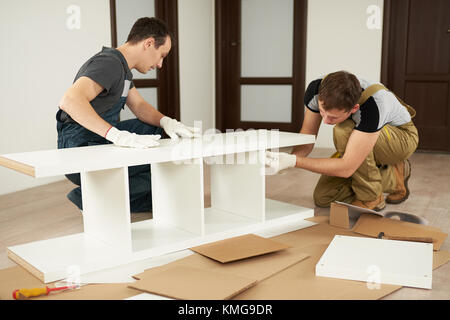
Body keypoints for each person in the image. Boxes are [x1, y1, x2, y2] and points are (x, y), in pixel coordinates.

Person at [56, 17, 199, 213]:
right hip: (79, 145)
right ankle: (90, 196)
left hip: (98, 139)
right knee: (161, 174)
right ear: (149, 43)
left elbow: (139, 105)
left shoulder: (123, 70)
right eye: (161, 55)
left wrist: (168, 122)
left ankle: (101, 198)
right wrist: (117, 136)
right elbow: (70, 101)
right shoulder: (109, 63)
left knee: (156, 132)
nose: (160, 64)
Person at [265, 70, 418, 211]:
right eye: (322, 112)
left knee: (343, 130)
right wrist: (284, 162)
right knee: (324, 197)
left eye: (333, 117)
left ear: (354, 109)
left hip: (402, 139)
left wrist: (294, 161)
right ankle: (394, 177)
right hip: (369, 138)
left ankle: (371, 197)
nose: (325, 121)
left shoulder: (373, 106)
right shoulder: (316, 90)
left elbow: (347, 168)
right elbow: (307, 137)